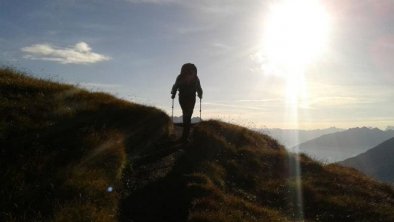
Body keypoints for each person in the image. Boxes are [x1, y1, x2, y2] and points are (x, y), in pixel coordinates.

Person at [171, 63, 203, 142]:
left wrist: (173, 94)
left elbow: (175, 86)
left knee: (186, 114)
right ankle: (185, 136)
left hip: (182, 97)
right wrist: (200, 95)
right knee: (188, 115)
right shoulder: (195, 78)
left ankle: (185, 136)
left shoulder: (180, 77)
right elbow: (199, 88)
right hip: (191, 98)